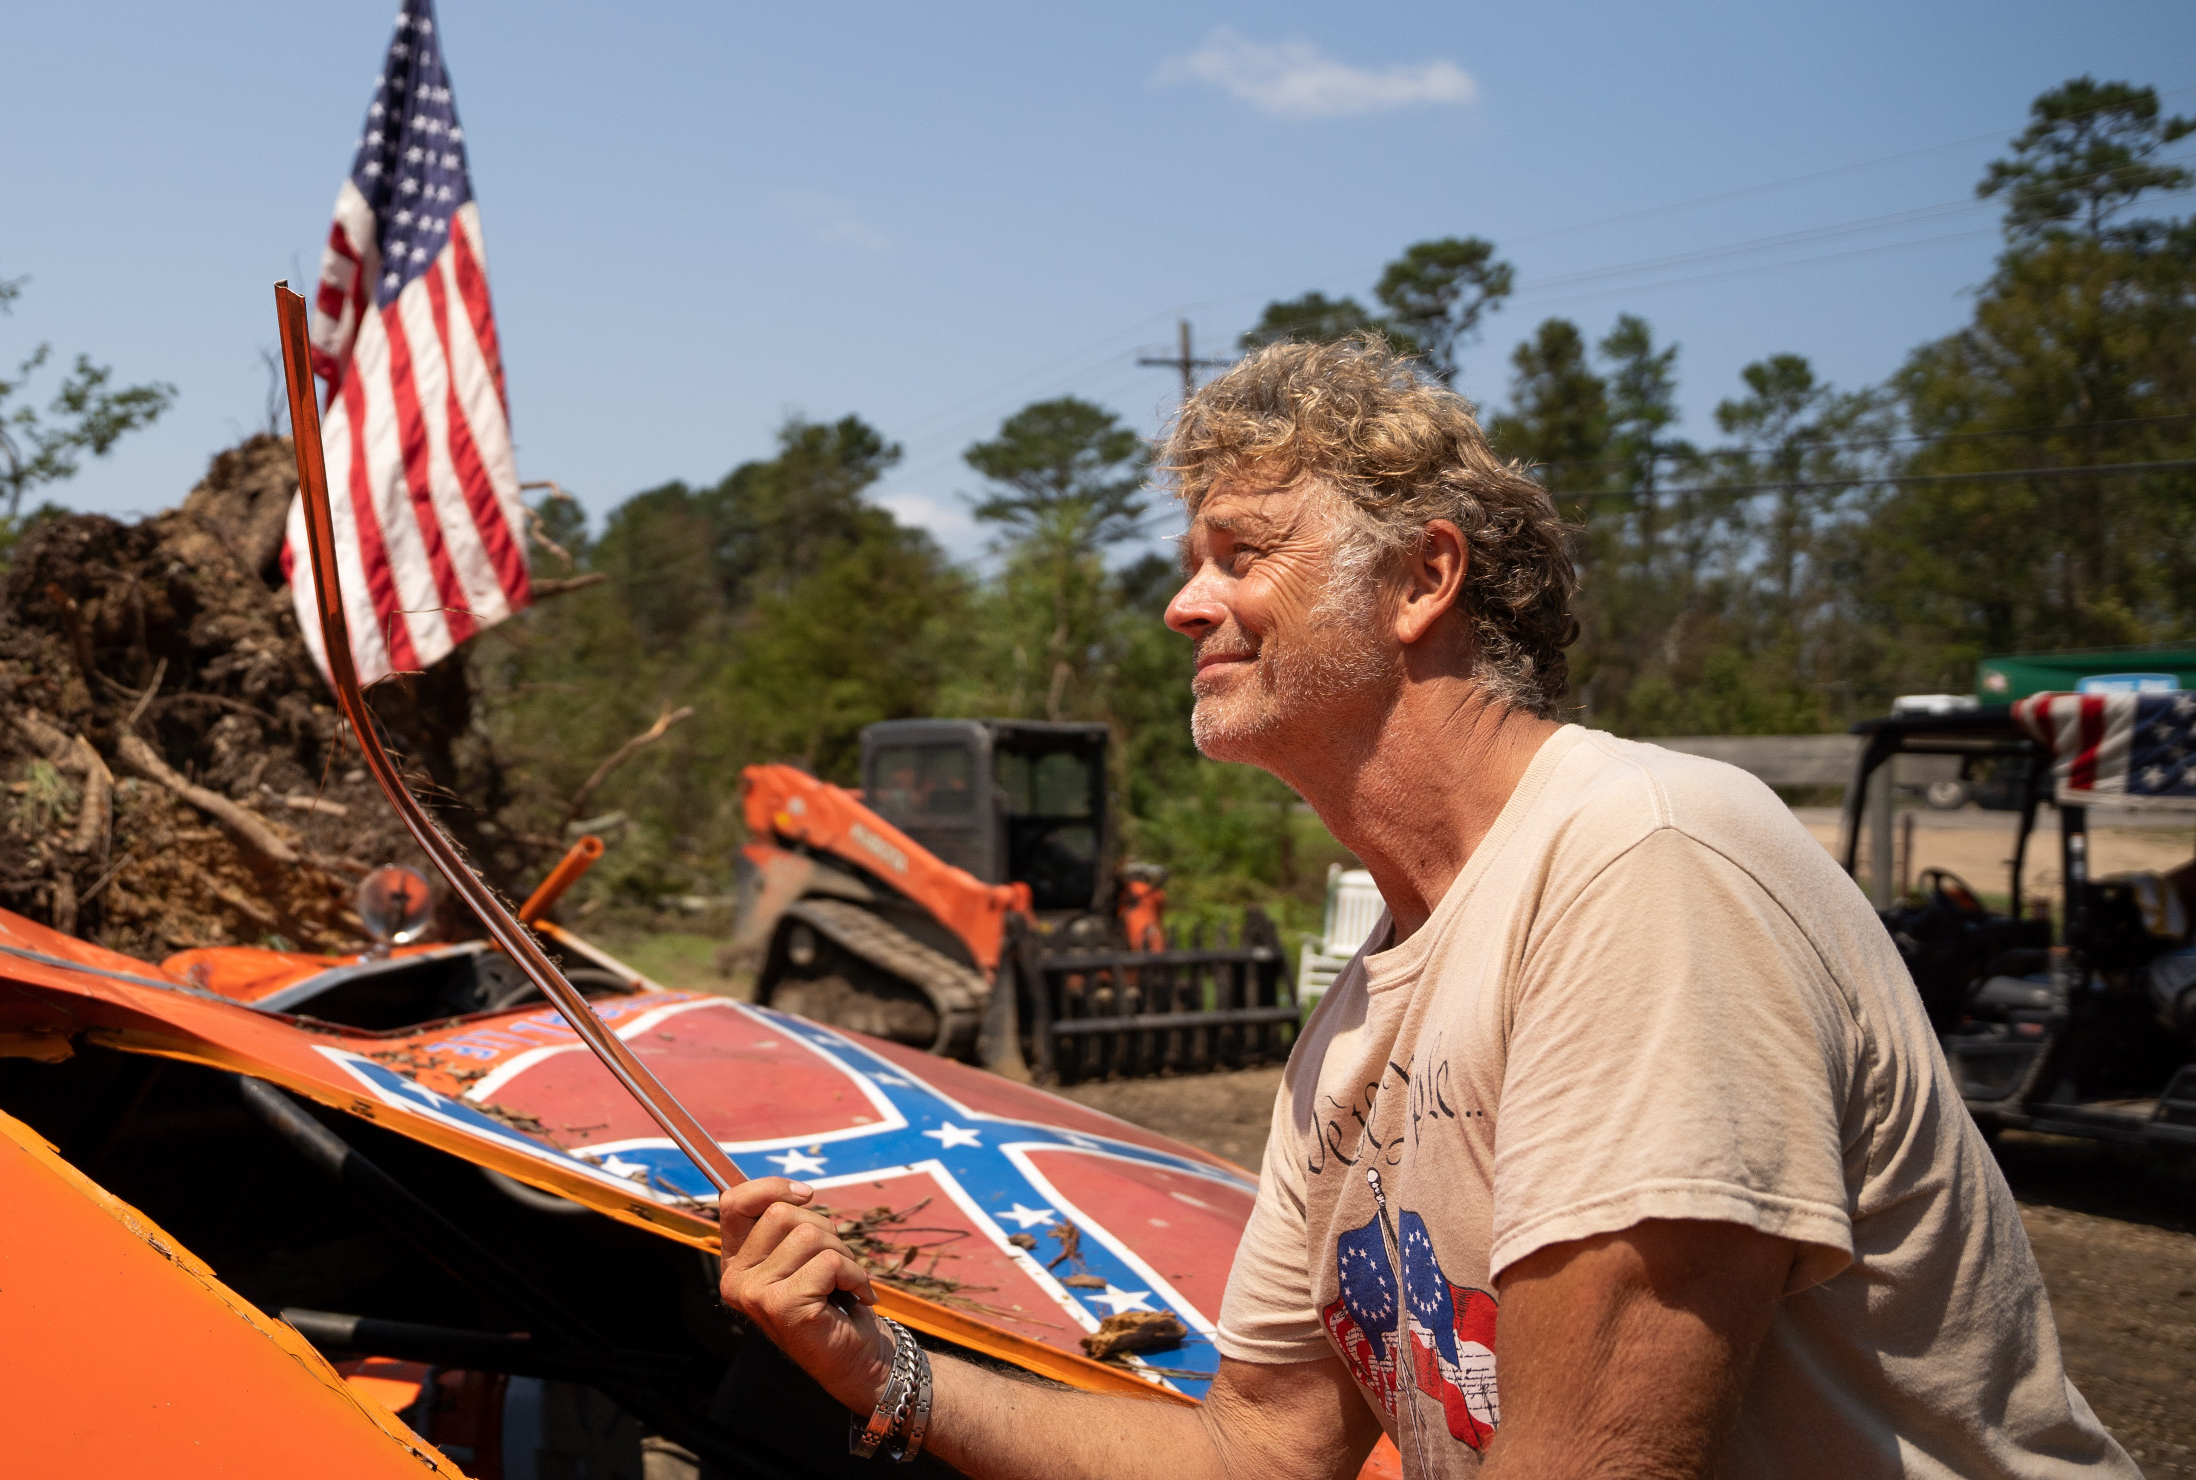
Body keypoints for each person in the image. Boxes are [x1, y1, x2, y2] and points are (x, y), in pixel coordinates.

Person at [715, 337, 2137, 1479]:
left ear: (1421, 578)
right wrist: (879, 1370)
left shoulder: (1642, 864)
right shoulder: (1356, 1021)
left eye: (1242, 551)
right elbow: (1257, 1448)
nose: (1182, 602)